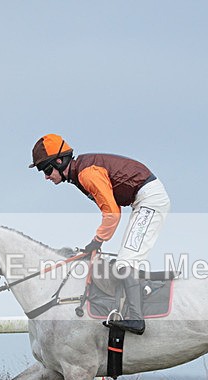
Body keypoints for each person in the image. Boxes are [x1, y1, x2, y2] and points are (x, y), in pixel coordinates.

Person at [29, 133, 170, 335]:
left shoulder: (86, 174)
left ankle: (137, 319)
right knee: (125, 260)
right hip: (142, 200)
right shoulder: (79, 174)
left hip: (150, 201)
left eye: (47, 169)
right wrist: (97, 242)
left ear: (60, 161)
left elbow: (112, 213)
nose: (46, 176)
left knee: (125, 263)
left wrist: (96, 241)